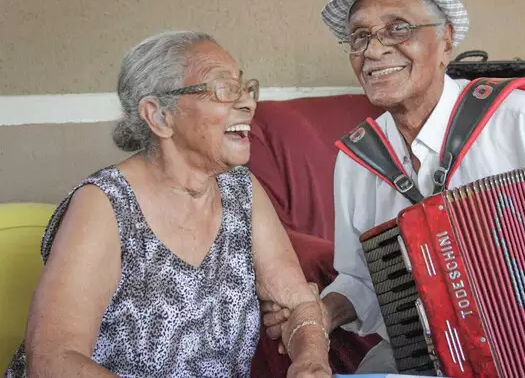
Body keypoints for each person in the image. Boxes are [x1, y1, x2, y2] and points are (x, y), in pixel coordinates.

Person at [262, 0, 525, 374]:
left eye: (398, 28)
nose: (373, 49)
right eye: (359, 36)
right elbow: (363, 281)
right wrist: (320, 313)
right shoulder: (357, 160)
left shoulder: (520, 119)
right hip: (422, 360)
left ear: (446, 40)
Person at [5, 31, 331, 378]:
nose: (248, 104)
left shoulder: (242, 190)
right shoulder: (105, 204)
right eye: (224, 89)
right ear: (159, 116)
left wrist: (310, 360)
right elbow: (54, 360)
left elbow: (297, 303)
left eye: (245, 88)